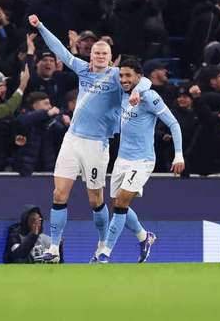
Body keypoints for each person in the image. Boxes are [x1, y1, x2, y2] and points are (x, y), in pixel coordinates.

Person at [29, 14, 152, 264]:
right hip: (72, 140)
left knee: (96, 200)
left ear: (110, 57)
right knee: (59, 194)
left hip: (97, 145)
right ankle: (53, 250)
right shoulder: (83, 69)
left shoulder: (119, 77)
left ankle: (101, 246)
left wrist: (137, 92)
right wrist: (40, 26)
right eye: (96, 52)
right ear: (91, 55)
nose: (99, 56)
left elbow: (146, 79)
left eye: (104, 53)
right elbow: (60, 51)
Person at [94, 59, 183, 263]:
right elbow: (108, 75)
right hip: (122, 159)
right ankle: (145, 237)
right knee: (118, 203)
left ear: (138, 77)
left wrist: (178, 155)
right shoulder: (123, 93)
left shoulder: (149, 96)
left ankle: (104, 253)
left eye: (128, 76)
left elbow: (174, 124)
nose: (124, 79)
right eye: (122, 76)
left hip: (142, 160)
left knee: (122, 201)